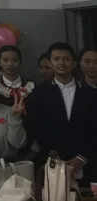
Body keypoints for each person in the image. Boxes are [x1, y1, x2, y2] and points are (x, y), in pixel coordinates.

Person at [27, 42, 97, 181]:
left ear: (74, 63)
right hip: (51, 160)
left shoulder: (90, 94)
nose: (61, 63)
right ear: (50, 62)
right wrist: (54, 155)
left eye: (66, 59)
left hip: (85, 163)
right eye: (56, 59)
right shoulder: (39, 93)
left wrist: (82, 157)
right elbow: (37, 128)